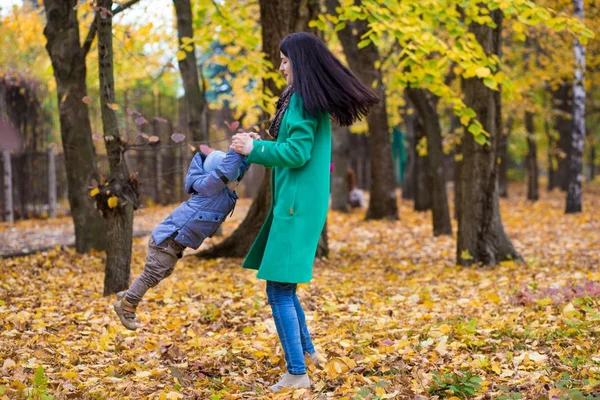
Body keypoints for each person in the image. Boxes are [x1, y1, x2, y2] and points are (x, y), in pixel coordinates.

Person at [230, 32, 379, 392]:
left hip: (296, 208)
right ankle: (309, 354)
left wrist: (253, 149)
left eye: (285, 60)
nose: (281, 67)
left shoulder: (302, 102)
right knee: (286, 287)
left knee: (278, 290)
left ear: (301, 62)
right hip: (298, 205)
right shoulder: (305, 101)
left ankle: (297, 373)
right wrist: (260, 144)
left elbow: (296, 154)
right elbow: (294, 147)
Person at [113, 139, 258, 331]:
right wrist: (234, 151)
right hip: (169, 237)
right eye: (232, 178)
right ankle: (127, 305)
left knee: (161, 273)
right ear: (219, 175)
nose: (236, 182)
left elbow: (237, 170)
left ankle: (129, 293)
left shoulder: (224, 190)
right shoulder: (210, 187)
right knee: (152, 274)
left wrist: (248, 149)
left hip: (175, 242)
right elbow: (226, 171)